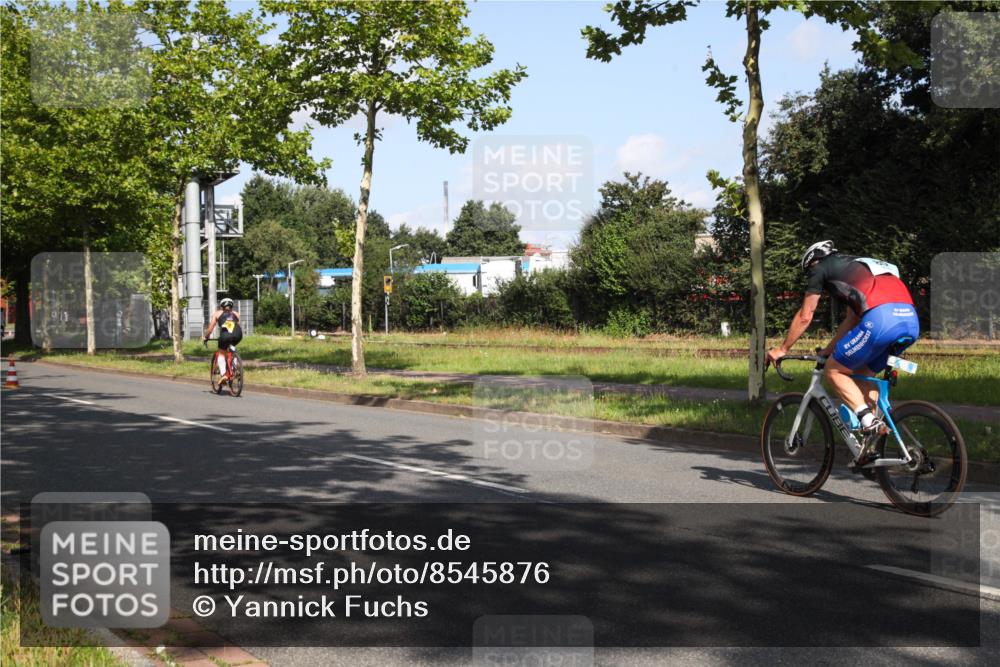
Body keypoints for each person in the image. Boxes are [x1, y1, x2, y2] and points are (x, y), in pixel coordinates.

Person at [767, 241, 919, 457]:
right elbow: (851, 321)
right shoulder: (856, 265)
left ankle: (869, 422)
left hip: (882, 319)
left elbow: (805, 316)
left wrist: (783, 349)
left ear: (813, 262)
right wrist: (828, 351)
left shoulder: (819, 268)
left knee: (833, 370)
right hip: (910, 321)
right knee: (861, 375)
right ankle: (872, 446)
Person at [204, 298, 242, 381]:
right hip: (238, 334)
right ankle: (234, 369)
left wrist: (206, 336)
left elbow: (210, 328)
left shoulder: (217, 313)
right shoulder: (236, 314)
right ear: (232, 306)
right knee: (232, 349)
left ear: (221, 306)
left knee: (221, 353)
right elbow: (238, 325)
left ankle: (224, 375)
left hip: (225, 336)